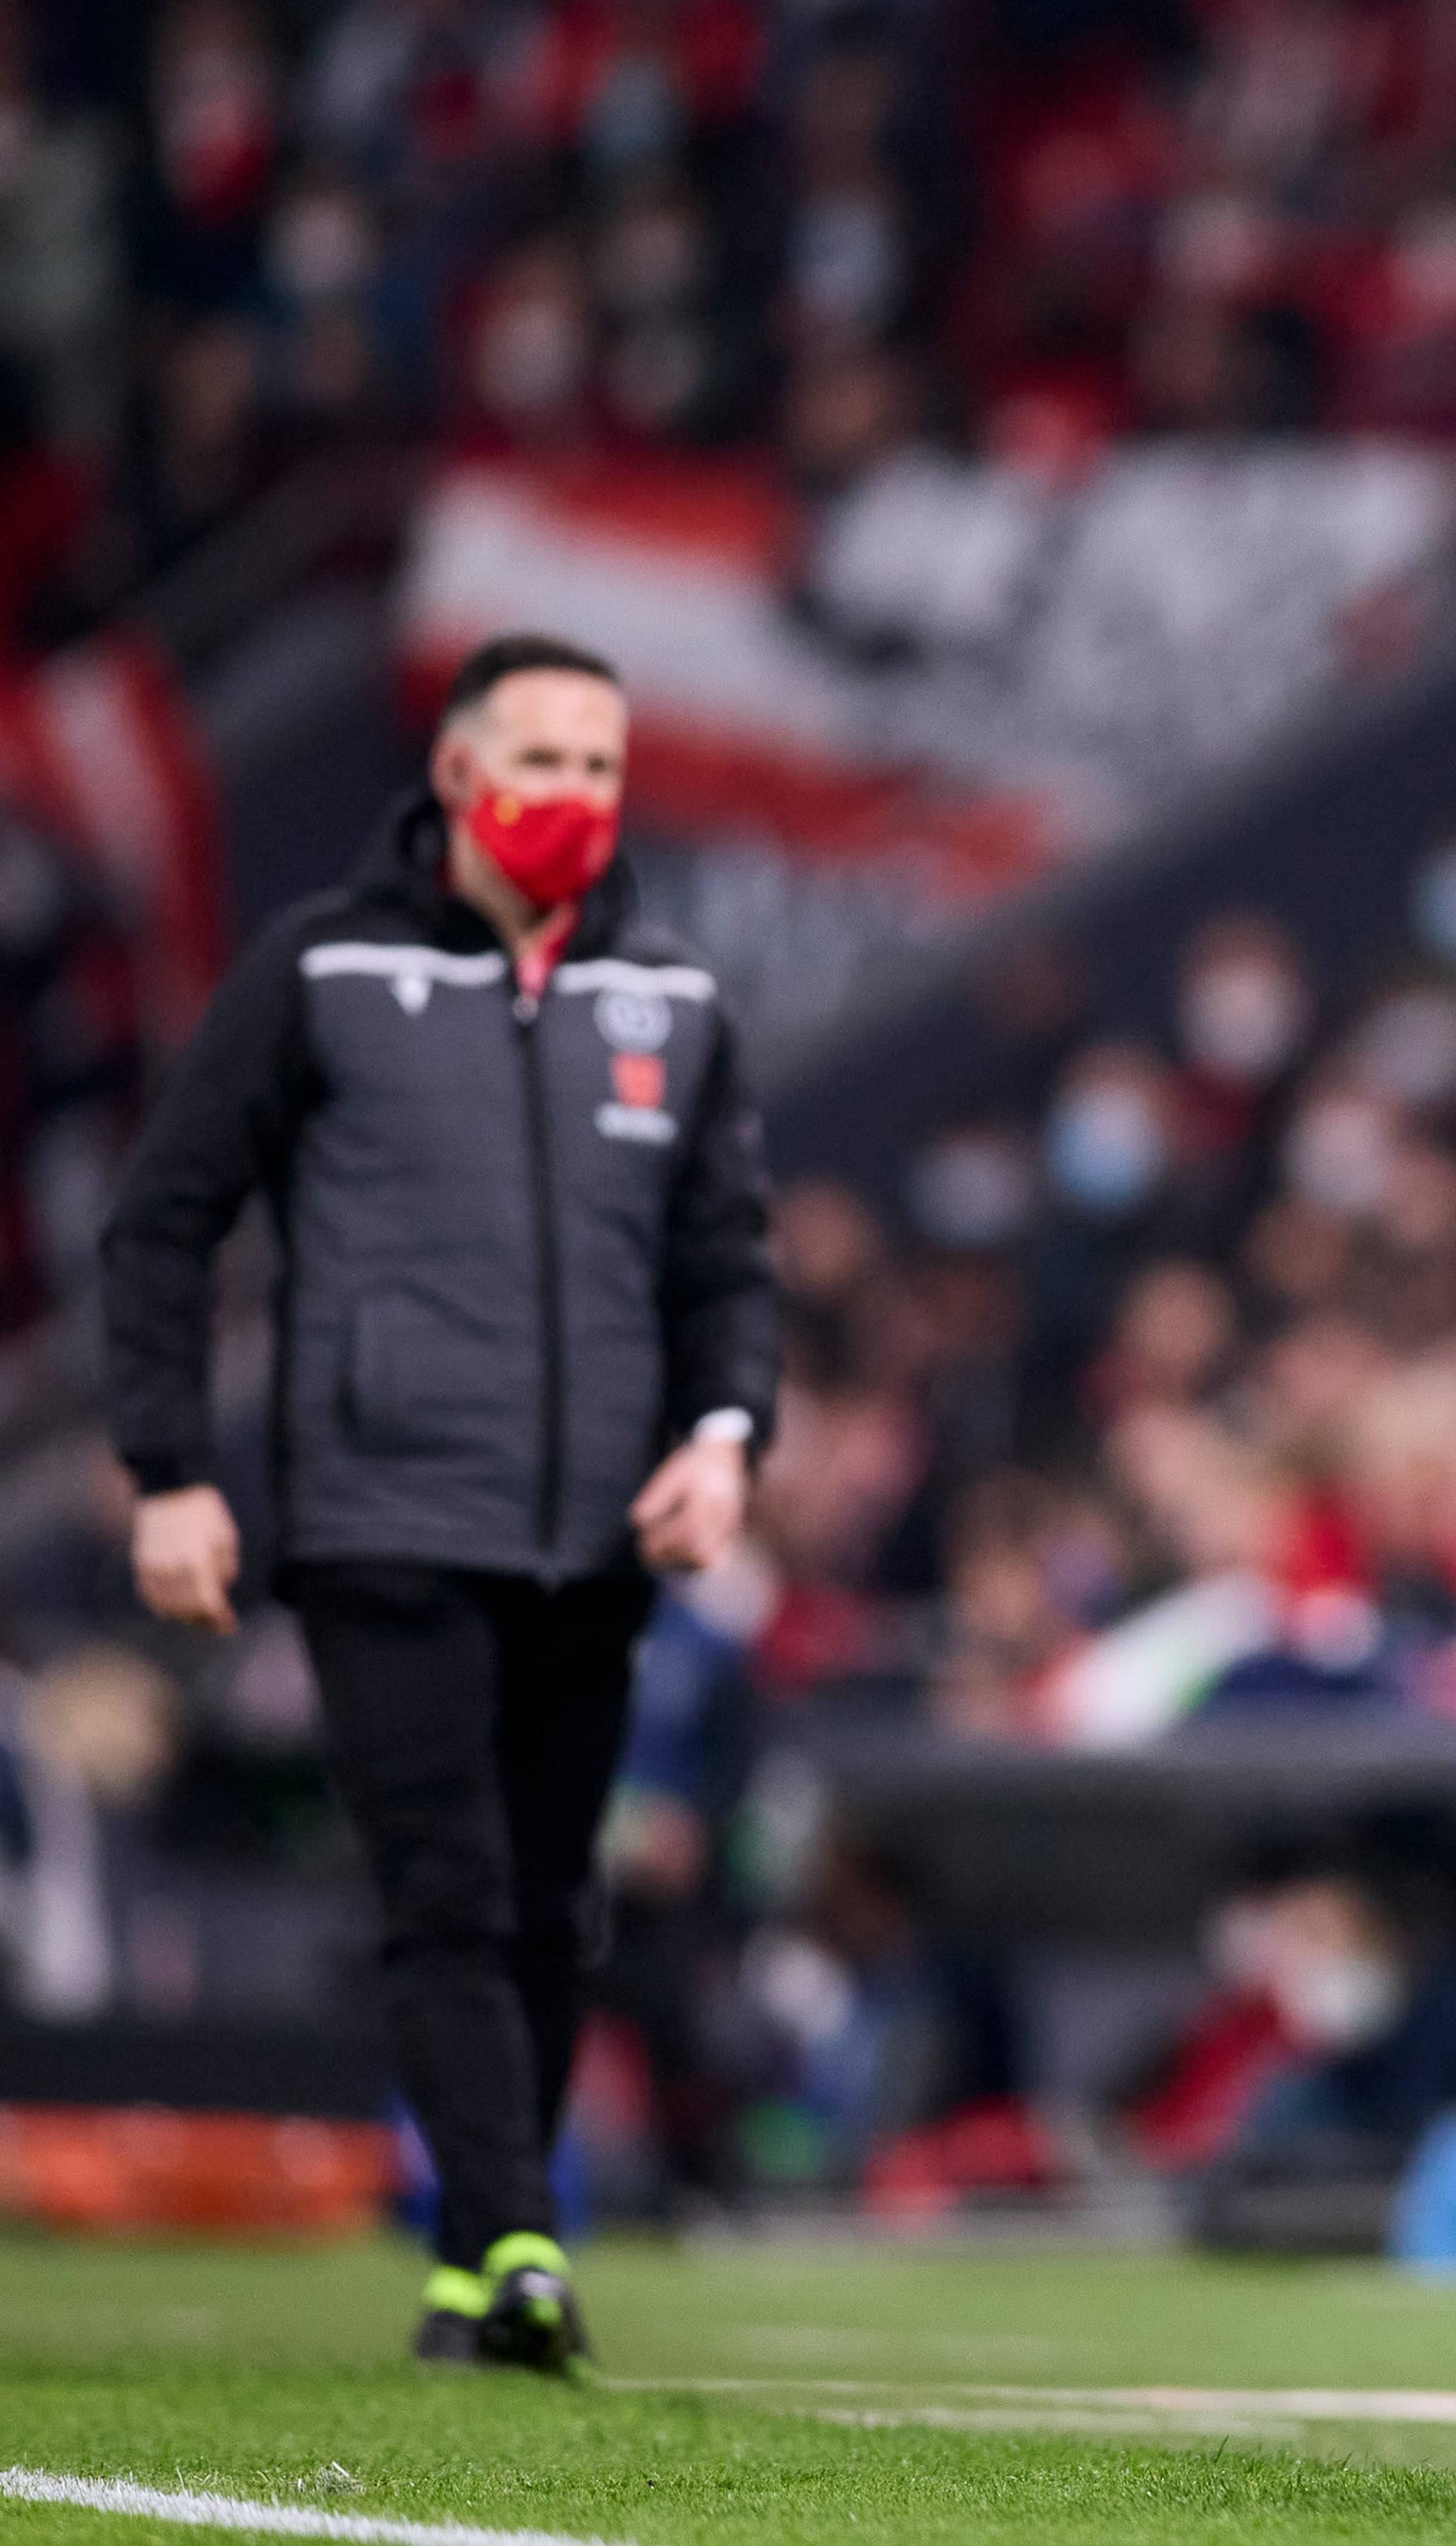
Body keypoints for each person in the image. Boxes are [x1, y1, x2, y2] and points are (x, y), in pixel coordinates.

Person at [101, 632, 778, 2374]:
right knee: (451, 1883)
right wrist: (170, 1467)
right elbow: (166, 1214)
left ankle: (483, 2253)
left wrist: (721, 1437)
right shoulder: (322, 967)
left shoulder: (676, 1000)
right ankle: (525, 2236)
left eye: (603, 767)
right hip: (386, 1511)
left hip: (598, 1531)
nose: (575, 798)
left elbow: (728, 1265)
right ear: (462, 773)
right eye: (543, 761)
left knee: (557, 1903)